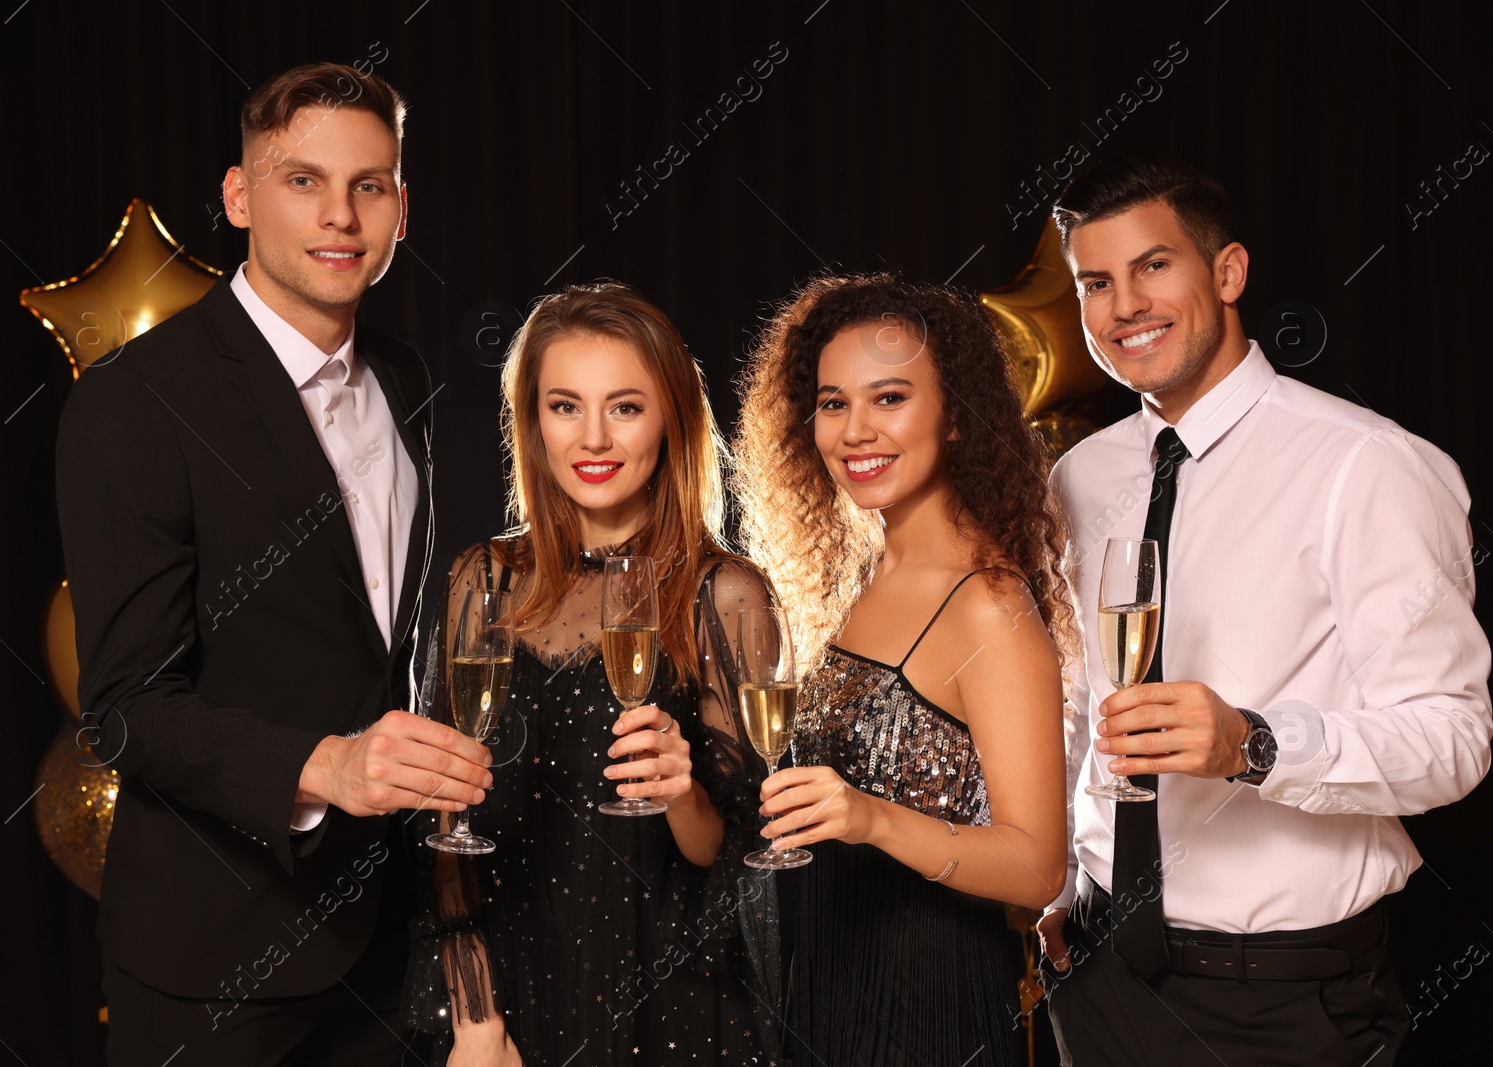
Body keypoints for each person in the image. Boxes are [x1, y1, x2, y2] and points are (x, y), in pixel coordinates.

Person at [57, 63, 494, 1064]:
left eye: (368, 185)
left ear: (400, 207)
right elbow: (125, 704)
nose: (339, 215)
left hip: (388, 953)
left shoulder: (407, 380)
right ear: (239, 196)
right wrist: (326, 764)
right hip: (216, 964)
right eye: (303, 181)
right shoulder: (138, 402)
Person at [1037, 157, 1492, 1067]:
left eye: (1154, 266)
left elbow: (1456, 738)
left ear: (1229, 273)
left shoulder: (1368, 466)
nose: (1125, 305)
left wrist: (1253, 744)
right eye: (1096, 282)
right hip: (1094, 973)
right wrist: (1060, 881)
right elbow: (1079, 709)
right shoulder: (1079, 475)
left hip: (1283, 1001)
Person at [403, 281, 781, 1066]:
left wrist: (684, 792)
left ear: (672, 418)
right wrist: (474, 1017)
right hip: (506, 1001)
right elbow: (446, 823)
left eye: (627, 406)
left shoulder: (724, 592)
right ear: (533, 422)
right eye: (565, 405)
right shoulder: (485, 580)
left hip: (667, 1004)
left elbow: (736, 853)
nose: (594, 438)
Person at [732, 274, 1074, 1067]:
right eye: (832, 402)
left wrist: (870, 818)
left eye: (889, 398)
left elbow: (1035, 866)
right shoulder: (861, 574)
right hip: (824, 986)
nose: (856, 430)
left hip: (930, 1001)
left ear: (955, 416)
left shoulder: (990, 603)